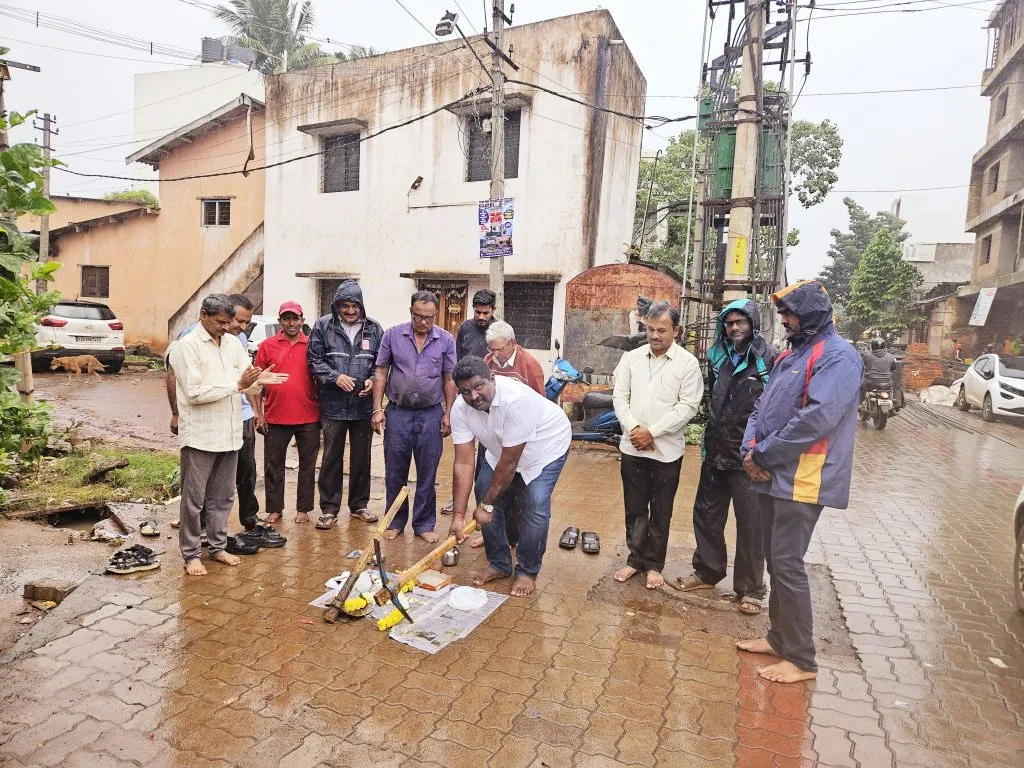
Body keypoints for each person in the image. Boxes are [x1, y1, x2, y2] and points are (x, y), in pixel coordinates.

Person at [737, 280, 862, 684]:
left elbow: (816, 419)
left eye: (789, 313)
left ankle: (802, 660)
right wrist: (750, 447)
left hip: (804, 477)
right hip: (772, 473)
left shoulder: (839, 357)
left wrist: (764, 454)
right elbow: (761, 405)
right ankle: (780, 638)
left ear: (809, 315)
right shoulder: (793, 354)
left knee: (788, 563)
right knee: (776, 560)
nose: (785, 320)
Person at [169, 294, 287, 576]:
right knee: (194, 500)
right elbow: (194, 393)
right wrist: (238, 385)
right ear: (203, 315)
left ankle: (218, 547)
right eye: (221, 322)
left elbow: (246, 382)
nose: (226, 327)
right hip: (200, 435)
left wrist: (259, 382)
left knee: (223, 497)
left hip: (230, 433)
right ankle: (191, 554)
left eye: (228, 322)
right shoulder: (185, 347)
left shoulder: (234, 344)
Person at [676, 299, 775, 614]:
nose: (734, 328)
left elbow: (775, 407)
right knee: (706, 514)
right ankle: (707, 571)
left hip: (748, 457)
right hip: (716, 450)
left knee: (751, 523)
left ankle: (751, 589)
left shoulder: (768, 359)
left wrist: (765, 451)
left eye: (740, 322)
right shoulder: (717, 356)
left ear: (753, 323)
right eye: (729, 323)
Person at [448, 357, 571, 597]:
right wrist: (458, 516)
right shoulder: (460, 409)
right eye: (465, 391)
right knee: (483, 488)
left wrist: (486, 506)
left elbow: (510, 463)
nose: (473, 396)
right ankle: (499, 563)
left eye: (478, 386)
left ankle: (527, 570)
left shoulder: (517, 400)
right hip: (501, 450)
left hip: (546, 448)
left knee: (534, 502)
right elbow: (463, 463)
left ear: (492, 378)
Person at [611, 301, 704, 590]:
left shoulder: (687, 364)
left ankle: (654, 565)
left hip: (667, 452)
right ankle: (635, 559)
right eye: (650, 329)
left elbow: (688, 406)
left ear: (676, 330)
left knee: (661, 512)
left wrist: (652, 432)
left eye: (661, 330)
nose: (654, 335)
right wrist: (634, 429)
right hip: (632, 448)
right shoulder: (631, 358)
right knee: (635, 509)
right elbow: (620, 397)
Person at [372, 291, 457, 543]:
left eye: (429, 318)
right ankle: (395, 521)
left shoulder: (446, 340)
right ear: (411, 311)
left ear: (435, 315)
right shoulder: (392, 335)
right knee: (395, 470)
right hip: (398, 413)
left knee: (428, 472)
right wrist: (377, 409)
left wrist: (449, 413)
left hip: (431, 414)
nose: (423, 322)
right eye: (418, 316)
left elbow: (449, 378)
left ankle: (424, 524)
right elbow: (380, 372)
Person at [308, 280, 384, 528]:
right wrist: (335, 377)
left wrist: (372, 380)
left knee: (362, 458)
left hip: (362, 406)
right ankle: (329, 509)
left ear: (361, 305)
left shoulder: (374, 328)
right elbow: (314, 360)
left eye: (355, 306)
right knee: (331, 457)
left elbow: (381, 363)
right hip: (333, 405)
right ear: (337, 306)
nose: (350, 311)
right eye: (345, 306)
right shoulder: (322, 326)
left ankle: (359, 505)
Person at [253, 302, 321, 527]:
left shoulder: (312, 345)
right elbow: (257, 383)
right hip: (275, 417)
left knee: (308, 465)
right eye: (286, 318)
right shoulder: (267, 346)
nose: (291, 323)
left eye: (295, 318)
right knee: (273, 465)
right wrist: (259, 414)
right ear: (280, 321)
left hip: (309, 417)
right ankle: (275, 509)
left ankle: (303, 508)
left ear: (302, 320)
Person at [484, 321, 546, 395]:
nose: (496, 354)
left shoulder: (530, 366)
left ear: (513, 344)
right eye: (492, 349)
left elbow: (540, 399)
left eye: (500, 349)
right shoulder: (488, 360)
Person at [455, 289, 496, 360]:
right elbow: (457, 357)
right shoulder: (464, 327)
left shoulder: (500, 330)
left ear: (493, 310)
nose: (481, 317)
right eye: (478, 312)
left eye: (486, 313)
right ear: (473, 307)